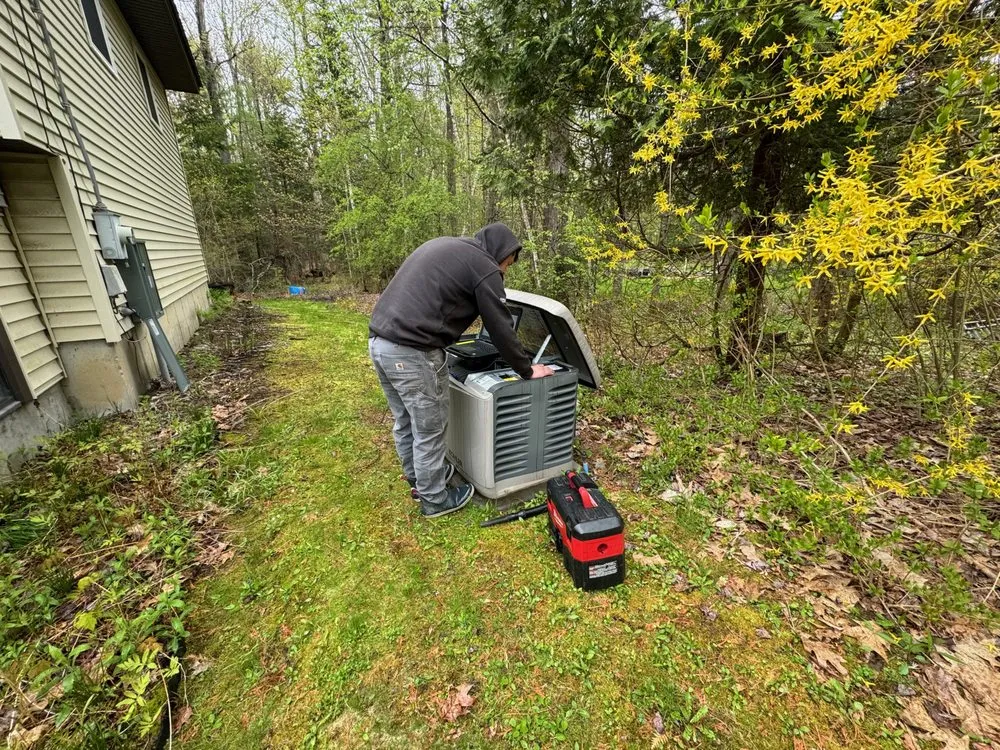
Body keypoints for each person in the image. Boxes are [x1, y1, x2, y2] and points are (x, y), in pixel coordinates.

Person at [368, 223, 554, 518]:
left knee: (406, 420)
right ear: (502, 253)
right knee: (429, 427)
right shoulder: (485, 266)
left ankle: (419, 480)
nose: (504, 271)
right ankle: (434, 498)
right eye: (507, 264)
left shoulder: (452, 247)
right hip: (412, 353)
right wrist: (527, 370)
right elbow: (500, 327)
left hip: (381, 344)